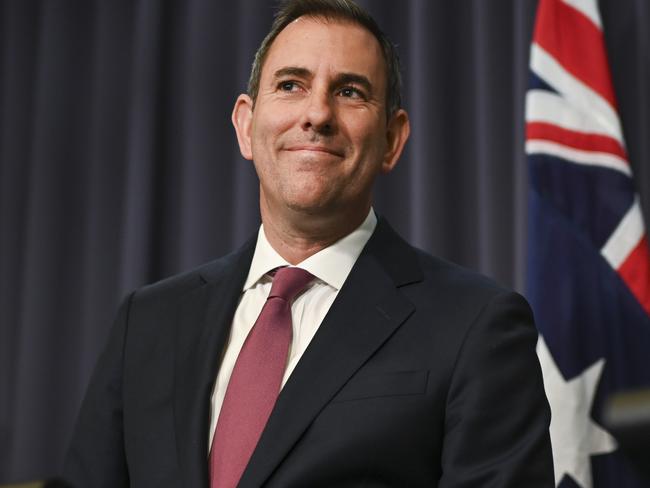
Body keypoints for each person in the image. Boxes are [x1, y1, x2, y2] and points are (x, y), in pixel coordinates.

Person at [63, 0, 554, 486]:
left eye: (349, 91)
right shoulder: (147, 321)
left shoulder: (476, 324)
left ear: (392, 139)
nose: (317, 113)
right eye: (290, 85)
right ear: (245, 125)